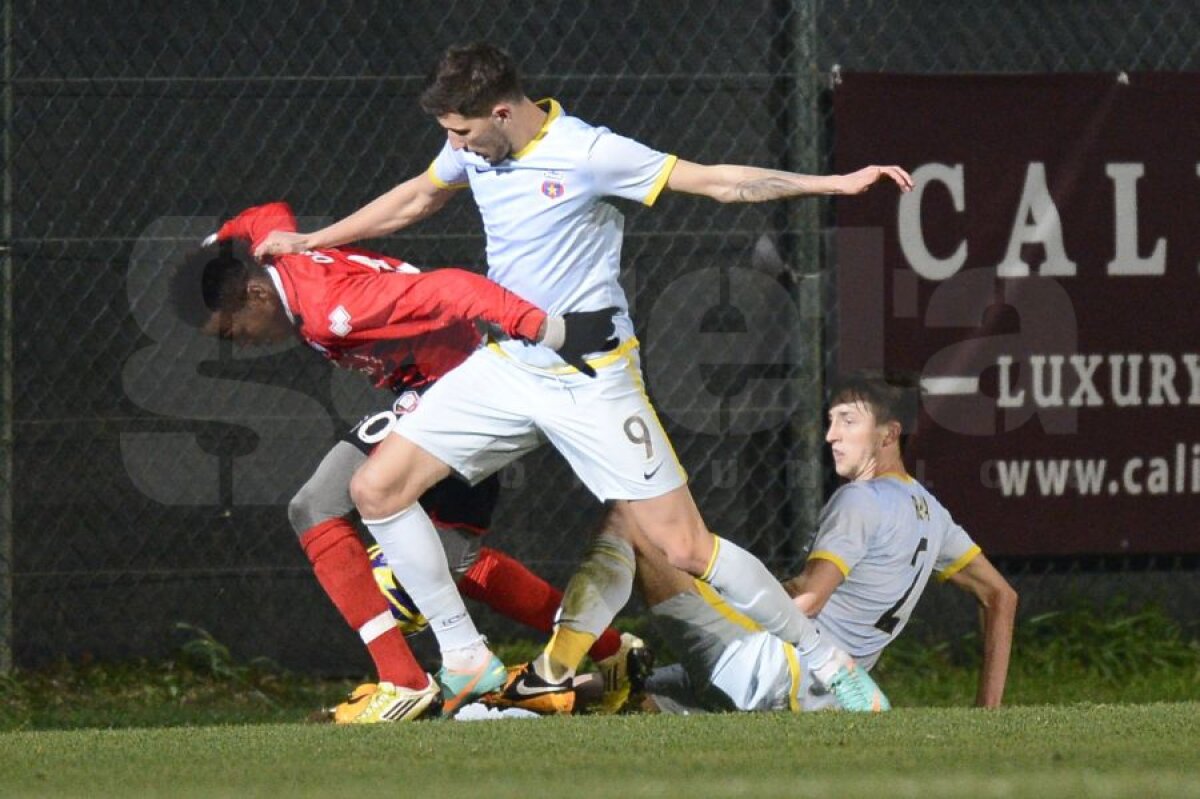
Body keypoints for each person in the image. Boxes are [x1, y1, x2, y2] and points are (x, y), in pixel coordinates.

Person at [254, 42, 913, 713]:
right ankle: (466, 659)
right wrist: (313, 241)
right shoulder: (473, 146)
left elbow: (715, 180)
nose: (454, 146)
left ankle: (831, 662)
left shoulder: (590, 154)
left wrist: (833, 183)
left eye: (461, 131)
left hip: (592, 376)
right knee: (377, 487)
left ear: (502, 112)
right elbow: (420, 196)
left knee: (685, 547)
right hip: (509, 366)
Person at [169, 201, 634, 722]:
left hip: (463, 393)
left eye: (233, 332)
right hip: (435, 388)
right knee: (454, 562)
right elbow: (266, 214)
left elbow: (455, 288)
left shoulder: (331, 309)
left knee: (317, 506)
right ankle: (612, 651)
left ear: (255, 295)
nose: (242, 344)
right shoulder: (277, 255)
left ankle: (405, 678)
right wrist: (214, 246)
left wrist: (549, 331)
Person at [634, 373, 1018, 713]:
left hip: (773, 672)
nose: (831, 435)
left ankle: (572, 649)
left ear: (889, 434)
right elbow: (1002, 597)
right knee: (620, 694)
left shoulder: (862, 499)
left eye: (848, 422)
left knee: (637, 522)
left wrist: (729, 596)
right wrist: (987, 710)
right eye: (832, 421)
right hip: (819, 699)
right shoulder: (932, 514)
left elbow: (809, 599)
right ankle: (594, 681)